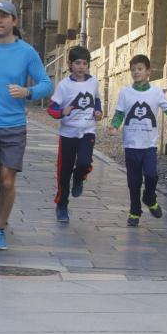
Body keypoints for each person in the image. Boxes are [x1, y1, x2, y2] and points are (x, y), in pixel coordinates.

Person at [0, 0, 53, 251]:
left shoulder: (26, 52)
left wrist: (27, 92)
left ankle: (0, 229)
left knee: (6, 181)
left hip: (14, 126)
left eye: (4, 16)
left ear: (14, 21)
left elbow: (47, 84)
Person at [107, 54, 167, 226]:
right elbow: (119, 114)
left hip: (149, 146)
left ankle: (149, 197)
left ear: (148, 72)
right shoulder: (125, 93)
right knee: (133, 182)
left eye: (139, 69)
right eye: (133, 70)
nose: (136, 72)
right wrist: (114, 126)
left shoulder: (156, 93)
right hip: (131, 145)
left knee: (151, 175)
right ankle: (134, 211)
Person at [47, 46, 102, 223]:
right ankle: (62, 205)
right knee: (64, 171)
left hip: (87, 130)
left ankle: (79, 178)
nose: (81, 67)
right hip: (68, 134)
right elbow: (51, 108)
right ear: (70, 64)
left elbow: (97, 99)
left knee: (84, 162)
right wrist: (63, 111)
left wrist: (98, 111)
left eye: (85, 63)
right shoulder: (64, 85)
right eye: (77, 63)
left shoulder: (93, 82)